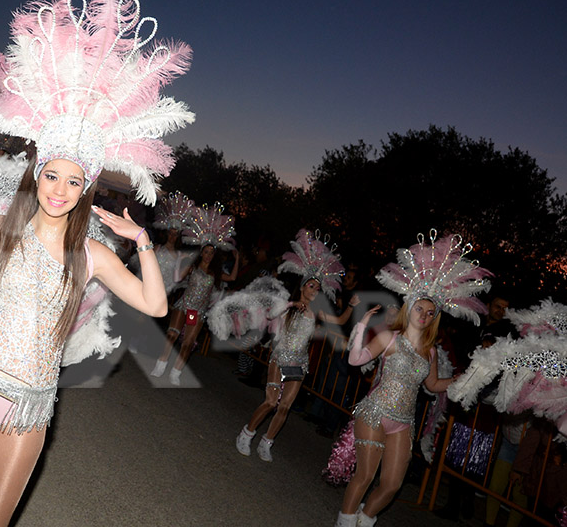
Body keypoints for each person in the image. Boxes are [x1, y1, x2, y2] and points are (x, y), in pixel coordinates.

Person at [0, 0, 195, 527]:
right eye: (51, 175)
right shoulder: (2, 229)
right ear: (38, 173)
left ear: (86, 188)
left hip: (28, 406)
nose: (58, 189)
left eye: (73, 181)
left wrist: (142, 242)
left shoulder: (94, 254)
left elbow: (155, 304)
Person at [334, 230, 491, 527]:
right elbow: (355, 360)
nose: (425, 315)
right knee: (366, 475)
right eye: (420, 308)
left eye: (431, 312)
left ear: (436, 317)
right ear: (410, 307)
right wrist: (361, 327)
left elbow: (432, 387)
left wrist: (466, 378)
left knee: (392, 485)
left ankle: (364, 519)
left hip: (404, 422)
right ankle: (344, 521)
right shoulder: (389, 338)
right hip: (375, 413)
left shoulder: (430, 353)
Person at [235, 229, 357, 461]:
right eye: (311, 286)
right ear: (302, 287)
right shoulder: (288, 304)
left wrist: (351, 306)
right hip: (279, 358)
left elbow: (340, 321)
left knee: (285, 407)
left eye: (317, 288)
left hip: (299, 364)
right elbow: (271, 315)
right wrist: (292, 305)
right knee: (271, 401)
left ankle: (266, 442)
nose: (314, 290)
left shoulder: (318, 311)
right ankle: (247, 433)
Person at [151, 202, 239, 386]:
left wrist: (237, 258)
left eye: (211, 253)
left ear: (214, 255)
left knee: (188, 343)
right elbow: (177, 278)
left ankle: (176, 372)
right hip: (184, 306)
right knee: (172, 335)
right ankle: (161, 364)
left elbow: (231, 278)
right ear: (201, 252)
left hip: (197, 312)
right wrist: (183, 261)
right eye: (205, 252)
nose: (208, 255)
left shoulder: (215, 273)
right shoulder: (192, 266)